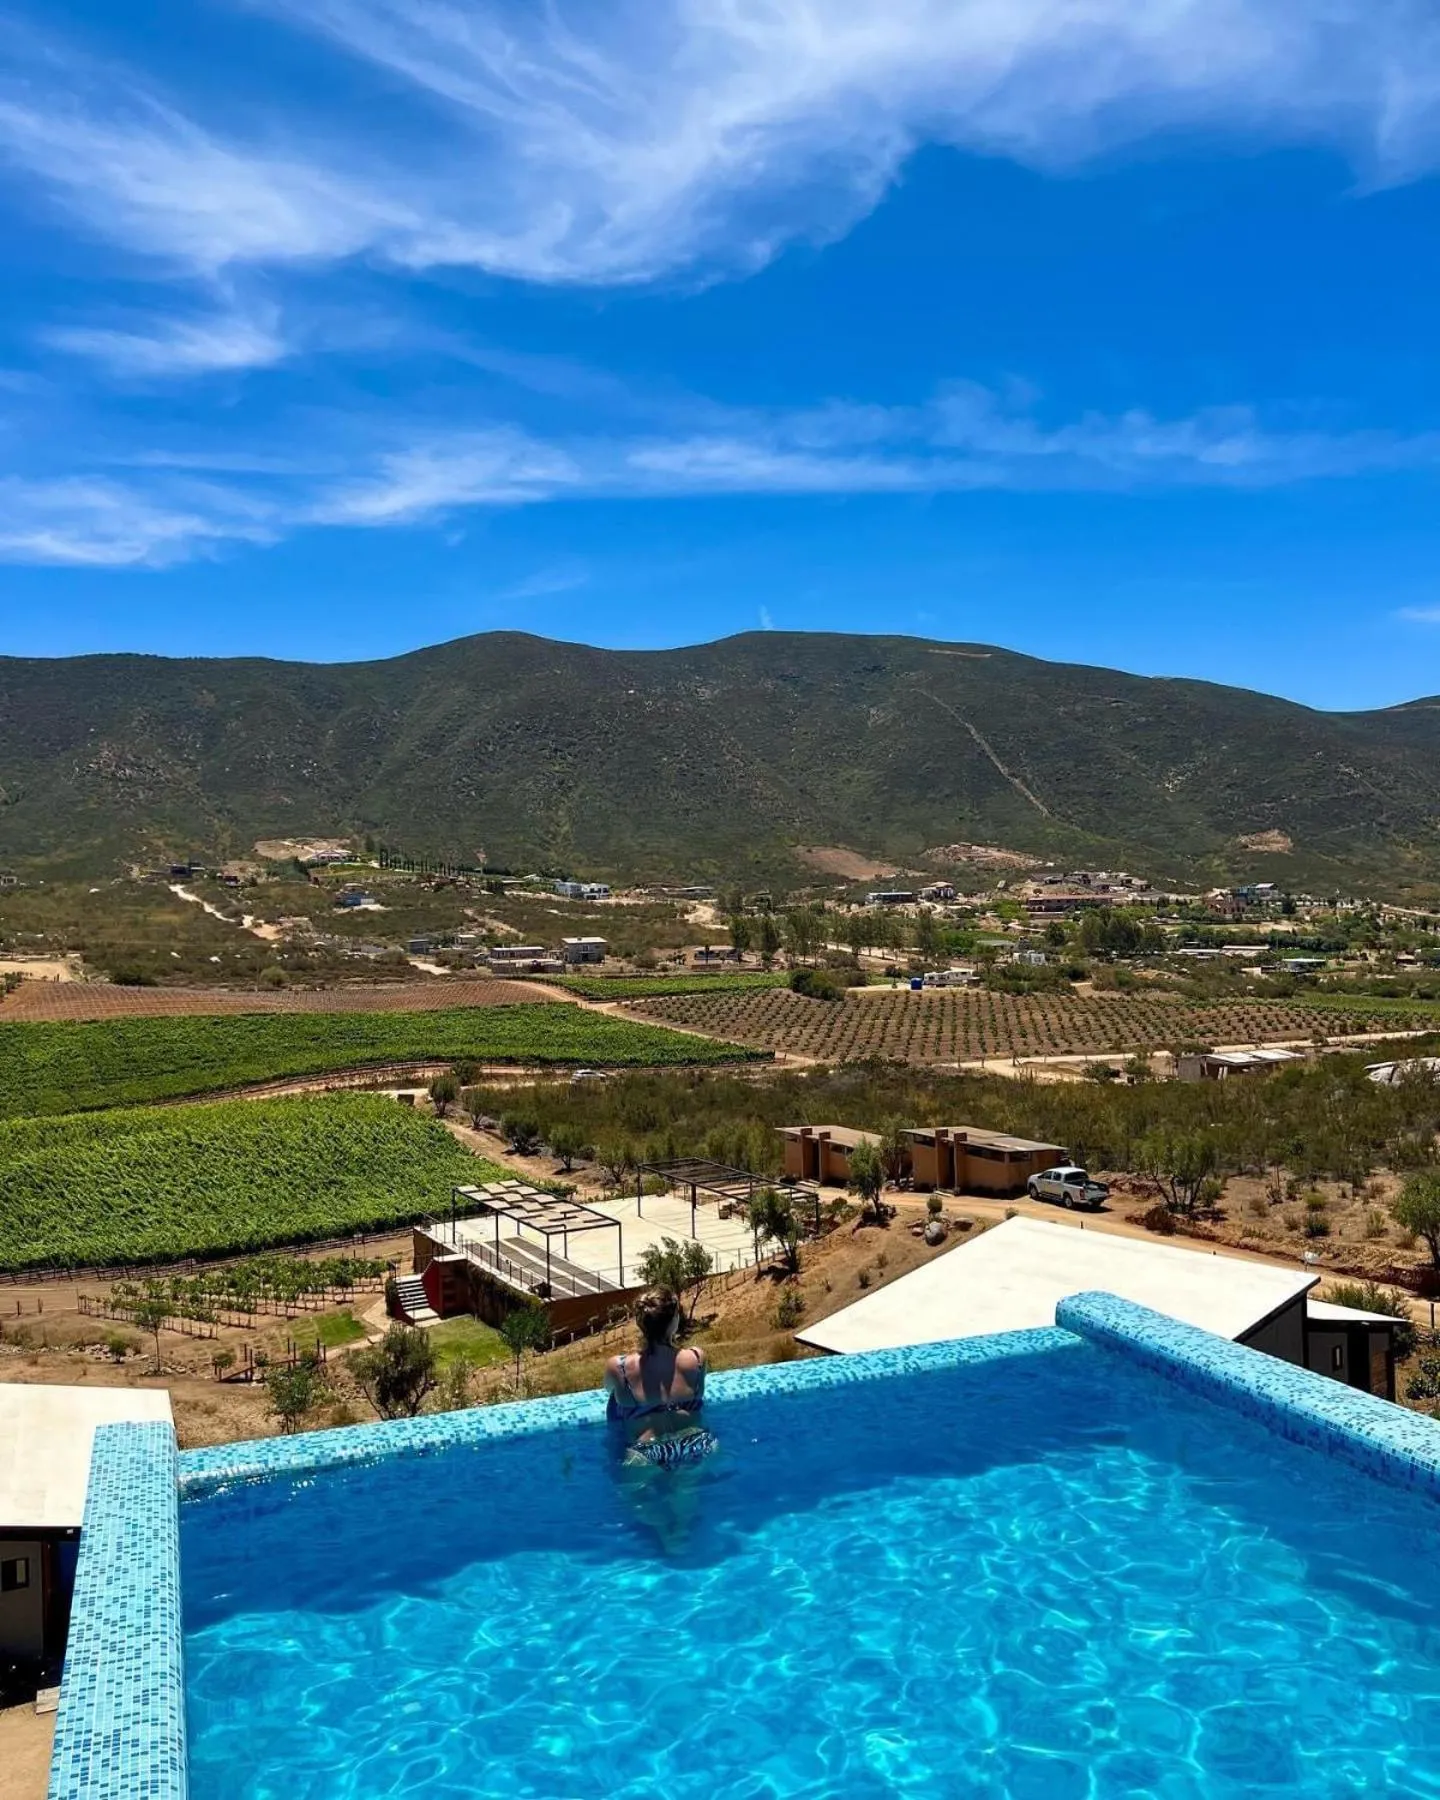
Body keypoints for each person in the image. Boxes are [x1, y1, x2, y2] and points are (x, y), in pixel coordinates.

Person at [604, 1286, 717, 1468]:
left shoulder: (620, 1368)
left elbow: (610, 1391)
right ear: (674, 1322)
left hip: (645, 1452)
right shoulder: (697, 1358)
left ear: (641, 1323)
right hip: (696, 1442)